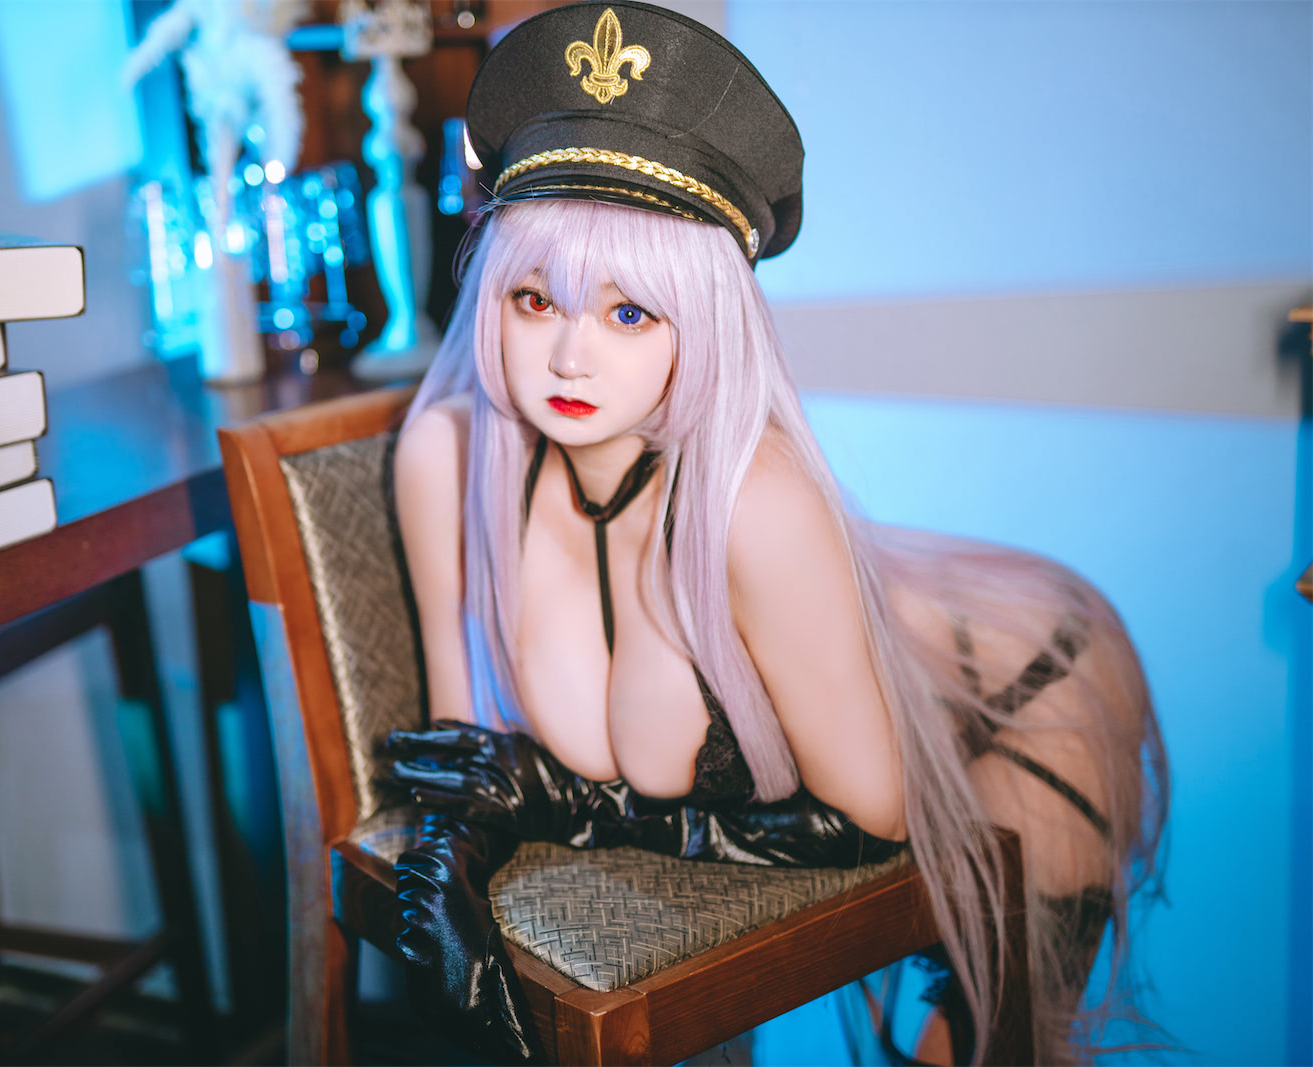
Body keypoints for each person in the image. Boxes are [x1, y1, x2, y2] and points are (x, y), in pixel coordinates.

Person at [382, 3, 1168, 1063]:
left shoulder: (756, 503)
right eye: (534, 298)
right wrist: (453, 846)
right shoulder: (446, 454)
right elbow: (458, 745)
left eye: (628, 312)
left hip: (1028, 683)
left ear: (702, 319)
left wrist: (577, 804)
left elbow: (875, 815)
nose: (569, 356)